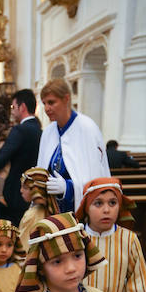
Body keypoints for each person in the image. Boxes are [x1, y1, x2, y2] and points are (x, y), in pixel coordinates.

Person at [37, 79, 109, 213]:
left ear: (66, 99)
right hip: (51, 210)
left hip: (77, 212)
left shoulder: (87, 128)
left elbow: (96, 179)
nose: (47, 108)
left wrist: (68, 187)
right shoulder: (48, 132)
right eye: (44, 103)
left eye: (51, 102)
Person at [0, 88, 41, 226]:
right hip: (34, 189)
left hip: (15, 192)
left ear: (22, 107)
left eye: (14, 107)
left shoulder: (20, 130)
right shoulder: (40, 129)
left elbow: (1, 159)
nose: (12, 111)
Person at [17, 167, 59, 251]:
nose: (21, 190)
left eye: (25, 188)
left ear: (36, 191)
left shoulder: (32, 215)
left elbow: (24, 245)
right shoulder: (50, 209)